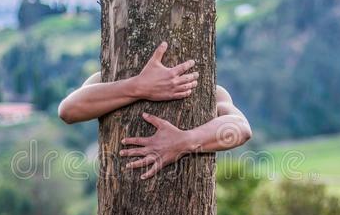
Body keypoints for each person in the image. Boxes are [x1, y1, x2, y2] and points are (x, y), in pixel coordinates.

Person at [58, 42, 251, 179]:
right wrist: (138, 87)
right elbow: (69, 110)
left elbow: (241, 129)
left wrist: (185, 141)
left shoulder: (204, 89)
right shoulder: (107, 78)